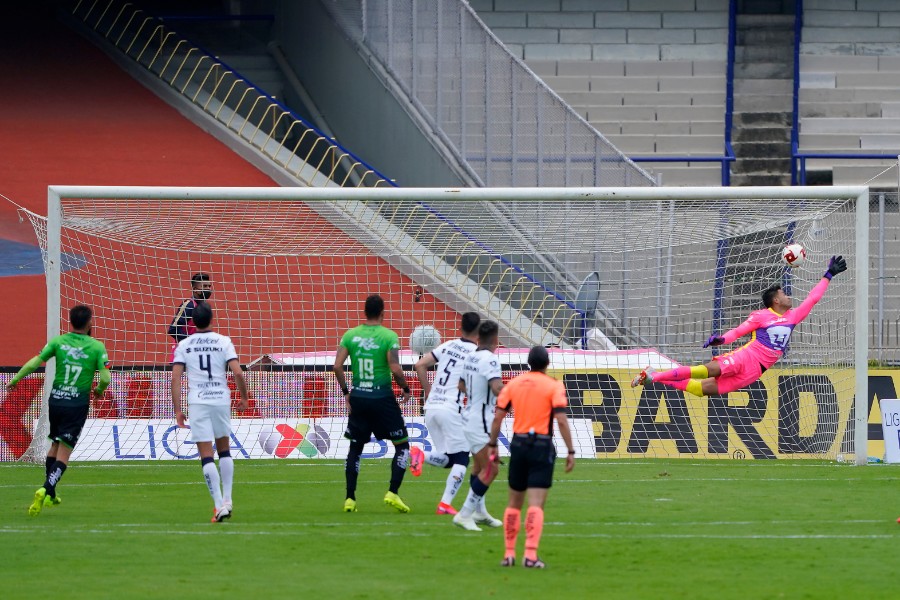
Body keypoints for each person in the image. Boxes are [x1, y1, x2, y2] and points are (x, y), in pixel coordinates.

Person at [631, 255, 848, 397]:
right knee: (704, 370)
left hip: (756, 371)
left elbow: (813, 299)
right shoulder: (761, 316)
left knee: (701, 390)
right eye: (783, 294)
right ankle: (654, 376)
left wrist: (828, 275)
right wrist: (722, 340)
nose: (788, 296)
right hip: (747, 356)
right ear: (775, 300)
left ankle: (655, 377)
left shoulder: (793, 316)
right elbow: (738, 332)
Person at [6, 305, 110, 516]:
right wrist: (99, 390)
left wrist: (16, 378)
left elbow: (36, 362)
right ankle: (46, 488)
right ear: (90, 322)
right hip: (76, 404)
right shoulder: (97, 347)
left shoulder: (58, 342)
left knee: (54, 443)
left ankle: (51, 494)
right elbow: (106, 377)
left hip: (56, 401)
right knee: (64, 453)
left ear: (70, 321)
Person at [488, 345, 575, 568]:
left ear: (529, 362)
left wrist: (492, 445)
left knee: (514, 503)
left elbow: (497, 418)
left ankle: (508, 554)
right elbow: (562, 420)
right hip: (541, 446)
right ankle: (530, 555)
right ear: (547, 364)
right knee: (536, 503)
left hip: (518, 445)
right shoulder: (553, 386)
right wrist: (571, 451)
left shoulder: (514, 384)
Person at [334, 294, 414, 513]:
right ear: (382, 312)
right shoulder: (388, 336)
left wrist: (346, 392)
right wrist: (406, 388)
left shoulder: (351, 335)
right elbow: (395, 368)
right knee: (402, 446)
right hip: (382, 398)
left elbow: (337, 367)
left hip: (359, 397)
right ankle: (393, 492)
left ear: (364, 312)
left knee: (355, 449)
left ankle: (350, 499)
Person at [171, 302, 249, 523]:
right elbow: (238, 373)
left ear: (192, 322)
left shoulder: (184, 345)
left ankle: (217, 506)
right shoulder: (223, 341)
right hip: (220, 399)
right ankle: (228, 500)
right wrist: (243, 397)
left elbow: (175, 378)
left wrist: (178, 410)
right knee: (225, 450)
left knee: (206, 454)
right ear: (211, 318)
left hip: (198, 402)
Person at [409, 312, 481, 516]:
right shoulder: (475, 353)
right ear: (478, 330)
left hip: (431, 408)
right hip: (450, 408)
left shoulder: (448, 345)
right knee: (462, 459)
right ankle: (444, 504)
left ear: (461, 327)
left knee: (448, 459)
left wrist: (429, 391)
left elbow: (420, 365)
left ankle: (421, 454)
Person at [452, 320, 505, 531]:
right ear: (495, 339)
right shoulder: (491, 360)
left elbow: (461, 384)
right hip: (481, 421)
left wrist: (475, 395)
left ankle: (479, 512)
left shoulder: (471, 356)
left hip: (468, 417)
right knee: (491, 470)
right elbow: (497, 388)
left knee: (479, 467)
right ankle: (464, 513)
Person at [168, 272, 213, 344]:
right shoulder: (189, 305)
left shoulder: (204, 307)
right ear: (195, 289)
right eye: (204, 286)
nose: (208, 289)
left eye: (209, 286)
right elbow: (173, 329)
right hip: (184, 351)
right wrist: (191, 342)